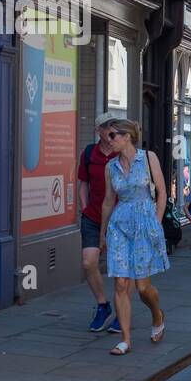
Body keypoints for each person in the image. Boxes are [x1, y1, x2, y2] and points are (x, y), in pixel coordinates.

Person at [97, 120, 168, 357]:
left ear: (127, 136)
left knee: (142, 287)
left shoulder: (148, 158)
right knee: (120, 283)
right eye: (107, 136)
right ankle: (125, 340)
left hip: (145, 222)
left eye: (113, 136)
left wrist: (156, 223)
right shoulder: (111, 167)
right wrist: (103, 232)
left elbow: (161, 192)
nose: (109, 140)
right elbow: (108, 200)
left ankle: (157, 314)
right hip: (120, 225)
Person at [78, 112, 121, 332]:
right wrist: (84, 209)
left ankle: (121, 312)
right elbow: (83, 183)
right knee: (88, 262)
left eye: (114, 124)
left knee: (118, 269)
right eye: (107, 126)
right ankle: (103, 305)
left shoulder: (121, 153)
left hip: (118, 220)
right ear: (98, 131)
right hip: (93, 217)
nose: (112, 129)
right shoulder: (89, 153)